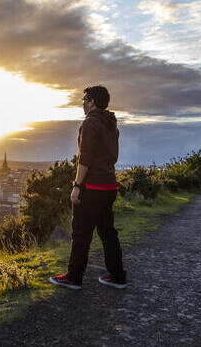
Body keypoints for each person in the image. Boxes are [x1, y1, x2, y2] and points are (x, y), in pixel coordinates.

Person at [49, 85, 127, 290]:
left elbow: (85, 159)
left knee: (81, 233)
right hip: (109, 186)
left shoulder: (91, 124)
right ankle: (117, 276)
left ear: (92, 101)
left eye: (84, 100)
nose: (82, 104)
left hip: (92, 187)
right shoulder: (112, 125)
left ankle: (74, 277)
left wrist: (77, 185)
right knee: (108, 233)